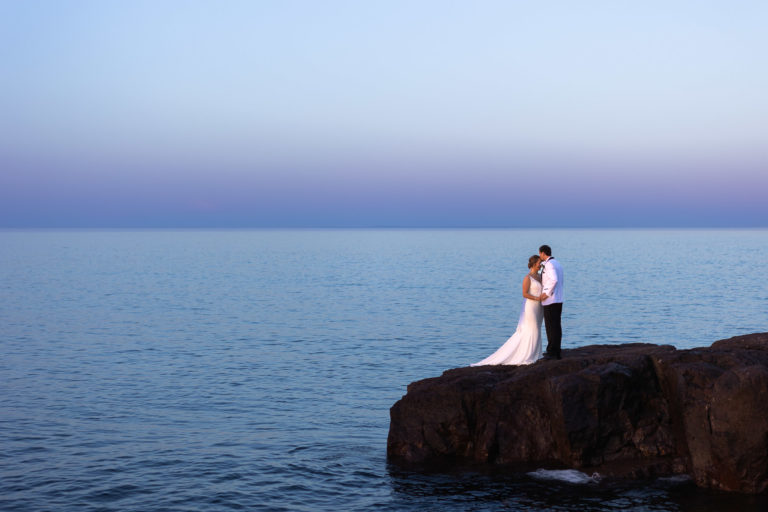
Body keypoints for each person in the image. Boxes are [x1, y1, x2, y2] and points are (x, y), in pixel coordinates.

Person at [471, 255, 543, 366]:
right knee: (532, 329)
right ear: (534, 264)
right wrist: (536, 298)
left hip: (540, 307)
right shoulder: (527, 278)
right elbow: (524, 293)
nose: (540, 264)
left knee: (537, 328)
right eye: (539, 263)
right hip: (531, 307)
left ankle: (536, 353)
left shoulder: (540, 276)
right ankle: (527, 355)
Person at [539, 244, 564, 359]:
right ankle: (556, 350)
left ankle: (552, 351)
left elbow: (554, 279)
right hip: (558, 299)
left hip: (551, 300)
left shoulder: (549, 265)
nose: (540, 256)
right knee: (556, 326)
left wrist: (546, 293)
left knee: (551, 326)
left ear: (543, 253)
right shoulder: (557, 263)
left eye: (540, 254)